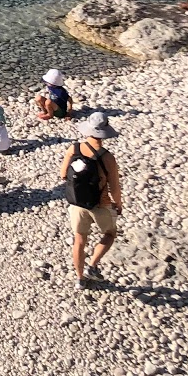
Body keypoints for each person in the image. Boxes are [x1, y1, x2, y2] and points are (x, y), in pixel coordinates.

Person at [60, 112, 123, 288]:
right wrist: (118, 204)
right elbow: (115, 188)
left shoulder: (74, 149)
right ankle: (93, 265)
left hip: (77, 202)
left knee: (79, 239)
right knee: (110, 234)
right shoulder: (107, 157)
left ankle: (80, 279)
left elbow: (63, 174)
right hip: (100, 203)